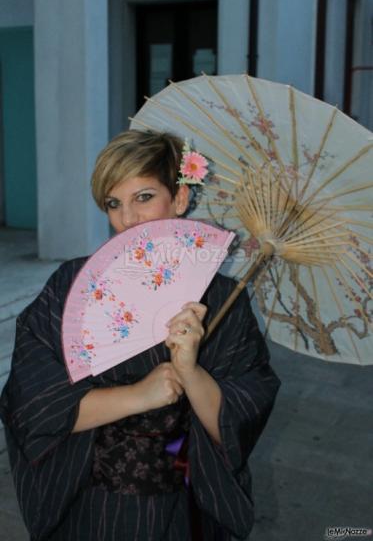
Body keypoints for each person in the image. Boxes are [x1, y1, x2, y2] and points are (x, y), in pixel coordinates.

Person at [0, 130, 280, 541]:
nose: (127, 219)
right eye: (114, 204)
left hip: (182, 507)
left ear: (180, 198)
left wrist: (190, 371)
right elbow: (31, 404)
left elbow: (238, 420)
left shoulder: (222, 301)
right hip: (91, 504)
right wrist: (140, 395)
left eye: (144, 197)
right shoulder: (71, 285)